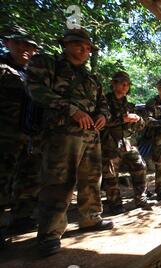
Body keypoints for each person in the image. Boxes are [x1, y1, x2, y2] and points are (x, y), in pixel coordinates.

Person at [26, 28, 114, 256]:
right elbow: (36, 90)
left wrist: (103, 116)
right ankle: (50, 234)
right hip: (60, 133)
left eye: (87, 48)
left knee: (92, 178)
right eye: (78, 46)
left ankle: (90, 218)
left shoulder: (92, 77)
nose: (84, 51)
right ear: (65, 44)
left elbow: (103, 103)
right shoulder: (48, 63)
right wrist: (72, 110)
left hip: (91, 135)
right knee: (59, 181)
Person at [0, 25, 39, 248]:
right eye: (19, 43)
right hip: (5, 137)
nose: (25, 49)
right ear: (7, 43)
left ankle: (21, 219)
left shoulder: (34, 76)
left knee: (29, 178)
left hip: (30, 137)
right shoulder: (2, 68)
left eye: (30, 46)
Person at [101, 71, 153, 214]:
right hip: (110, 144)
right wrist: (122, 119)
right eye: (122, 83)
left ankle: (141, 198)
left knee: (140, 167)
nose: (125, 87)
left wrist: (138, 119)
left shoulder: (129, 105)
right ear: (114, 84)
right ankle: (115, 203)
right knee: (111, 174)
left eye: (127, 85)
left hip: (128, 143)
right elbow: (101, 121)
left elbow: (142, 125)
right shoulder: (103, 101)